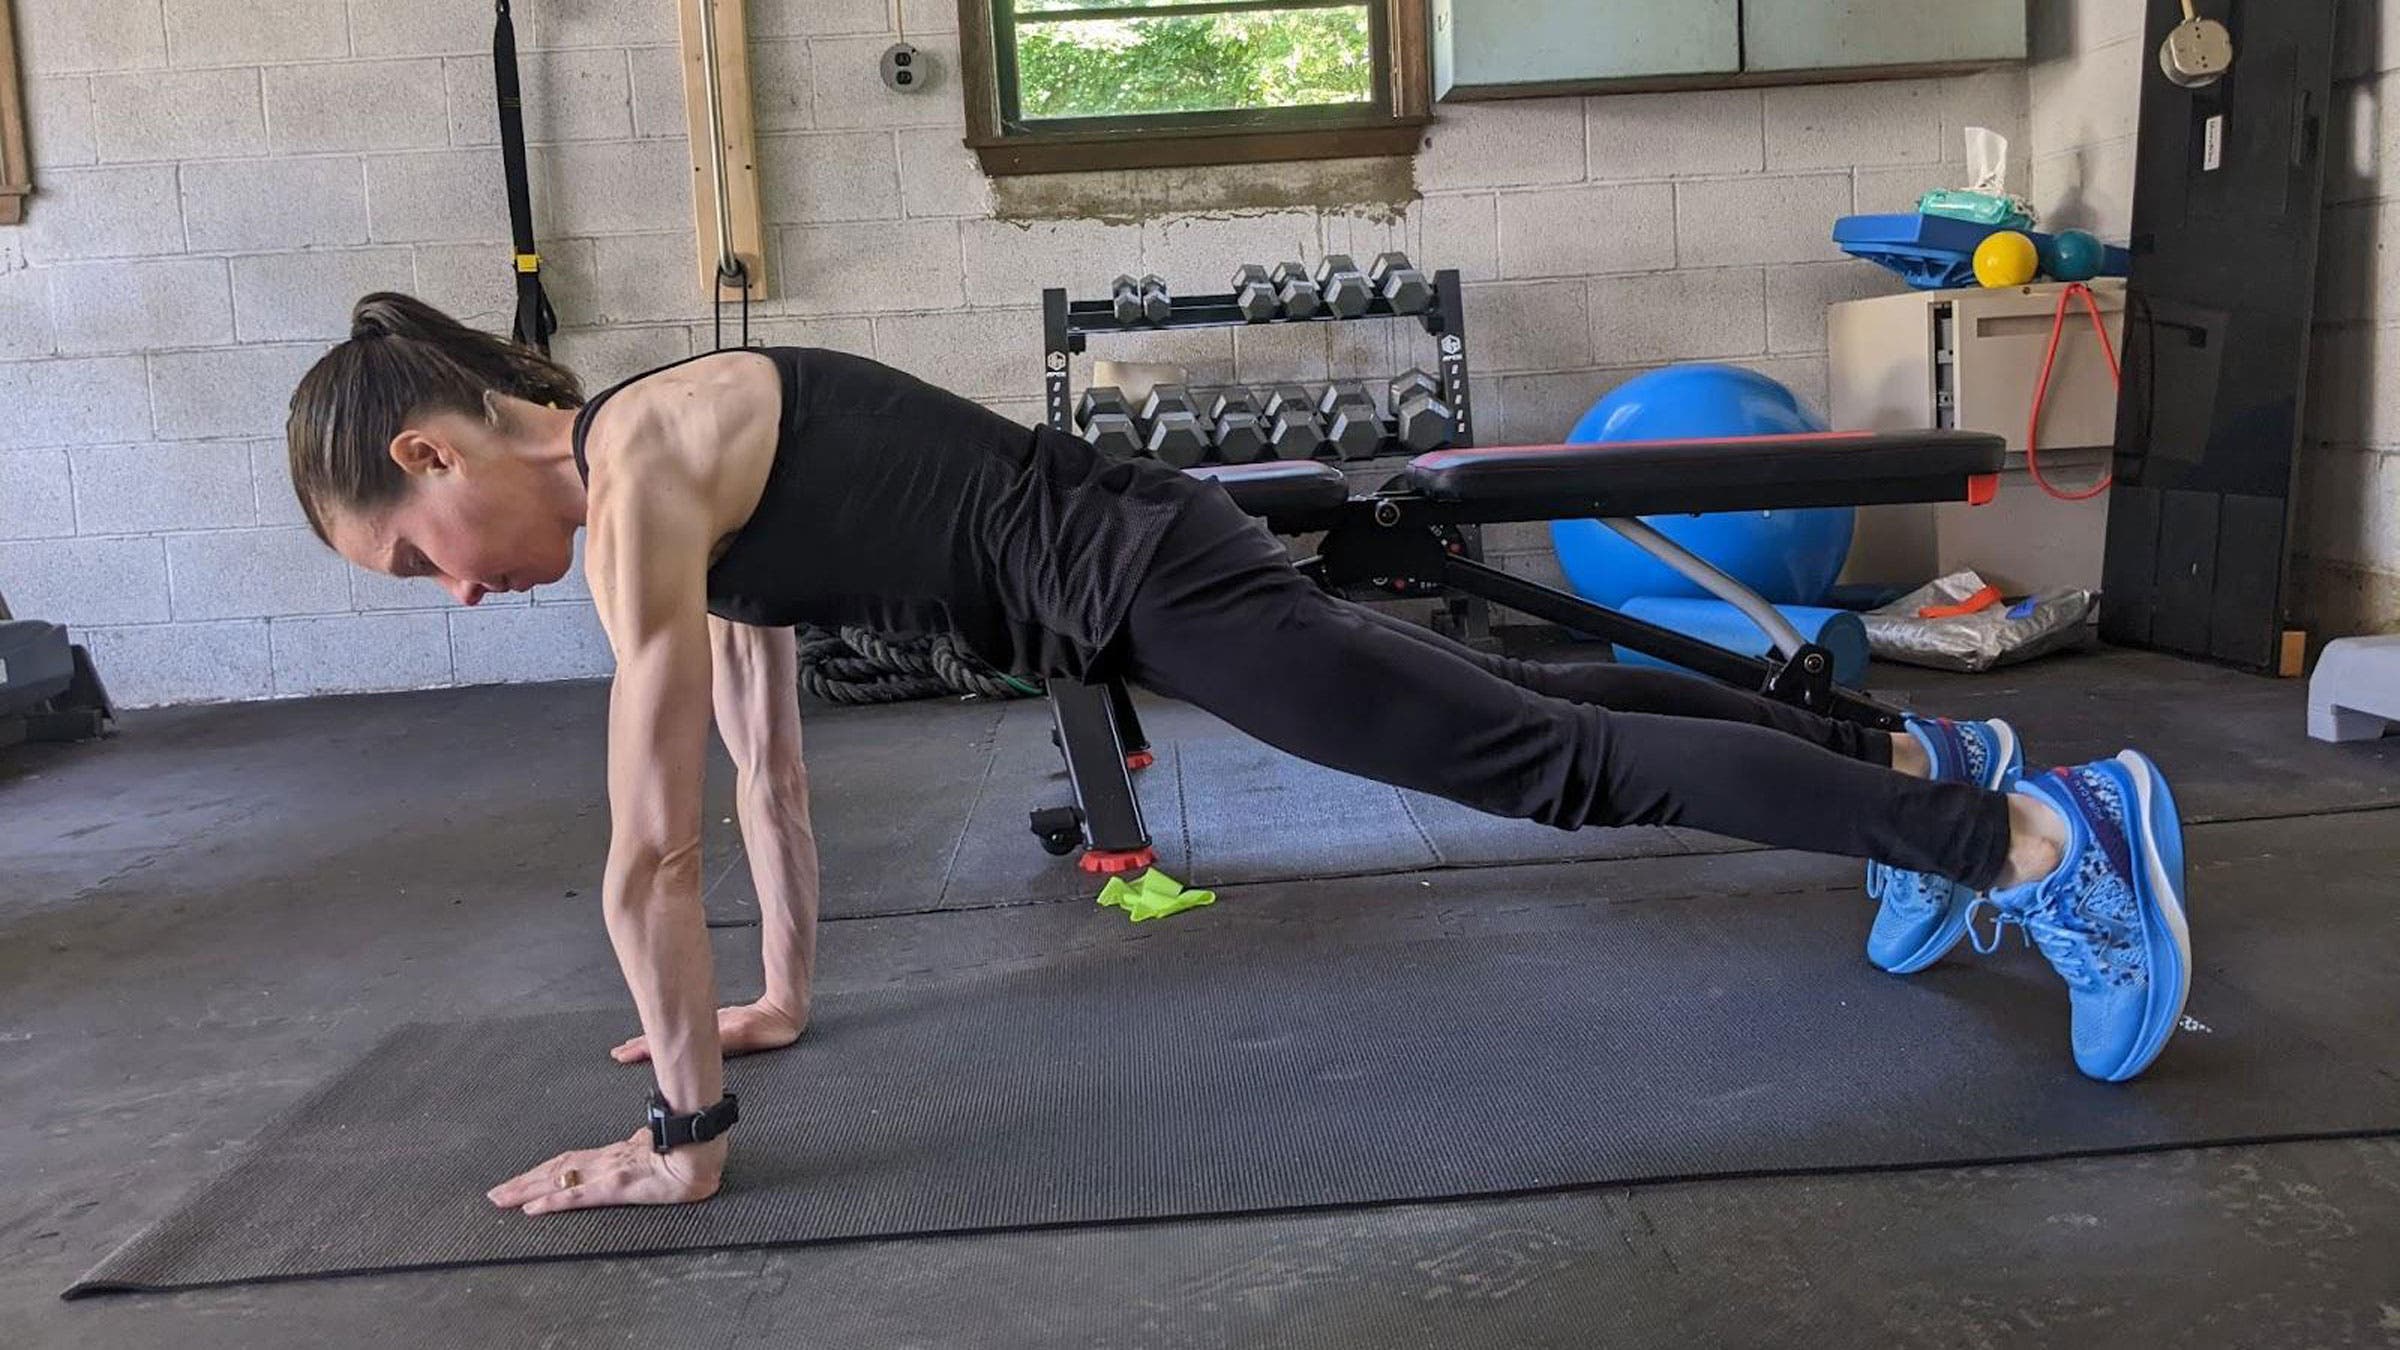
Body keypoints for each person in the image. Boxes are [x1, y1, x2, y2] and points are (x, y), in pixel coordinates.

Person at [286, 293, 2192, 1218]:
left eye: (406, 559)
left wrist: (682, 1139)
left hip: (1146, 581)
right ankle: (1905, 757)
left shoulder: (637, 480)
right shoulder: (663, 457)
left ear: (438, 460)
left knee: (1556, 765)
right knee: (1556, 734)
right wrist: (777, 999)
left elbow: (646, 852)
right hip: (1147, 565)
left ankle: (2034, 840)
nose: (449, 597)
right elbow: (758, 776)